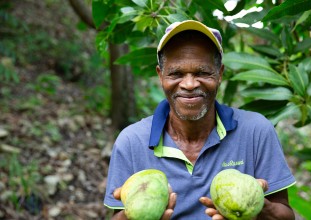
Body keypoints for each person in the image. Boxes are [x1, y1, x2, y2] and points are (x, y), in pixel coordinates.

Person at [104, 20, 296, 219]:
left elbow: (284, 214)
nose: (189, 84)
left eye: (202, 72)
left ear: (219, 74)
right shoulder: (131, 142)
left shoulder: (256, 131)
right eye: (176, 73)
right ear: (161, 76)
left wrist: (259, 209)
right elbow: (119, 214)